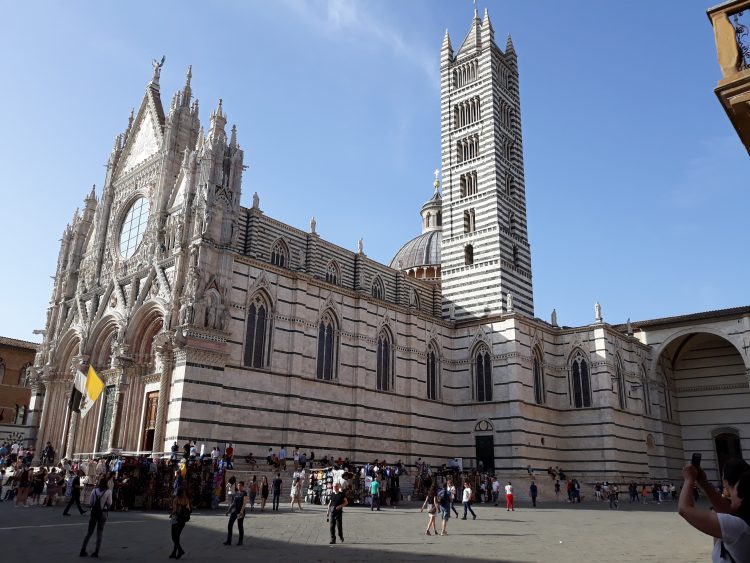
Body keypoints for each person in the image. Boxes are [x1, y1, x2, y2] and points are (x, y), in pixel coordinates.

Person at [678, 458, 750, 562]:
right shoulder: (742, 522)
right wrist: (703, 483)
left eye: (734, 490)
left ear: (743, 498)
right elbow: (728, 511)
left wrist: (689, 479)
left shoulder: (738, 528)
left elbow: (684, 509)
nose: (729, 495)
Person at [79, 476, 112, 557]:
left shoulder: (94, 490)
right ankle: (96, 552)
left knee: (89, 532)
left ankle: (83, 550)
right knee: (99, 532)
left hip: (94, 513)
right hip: (103, 513)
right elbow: (109, 503)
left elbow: (91, 503)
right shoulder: (108, 492)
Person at [169, 486, 191, 559]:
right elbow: (188, 509)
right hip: (183, 520)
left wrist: (171, 514)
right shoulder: (187, 499)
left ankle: (180, 550)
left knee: (173, 537)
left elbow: (175, 510)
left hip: (176, 519)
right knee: (177, 536)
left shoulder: (176, 499)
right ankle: (174, 553)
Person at [224, 481, 247, 546]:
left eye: (240, 485)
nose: (239, 486)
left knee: (240, 526)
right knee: (230, 525)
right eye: (238, 485)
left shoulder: (244, 493)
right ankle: (228, 541)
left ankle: (240, 541)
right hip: (234, 511)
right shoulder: (236, 493)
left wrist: (242, 511)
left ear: (243, 486)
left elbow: (244, 503)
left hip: (240, 512)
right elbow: (233, 503)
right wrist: (228, 510)